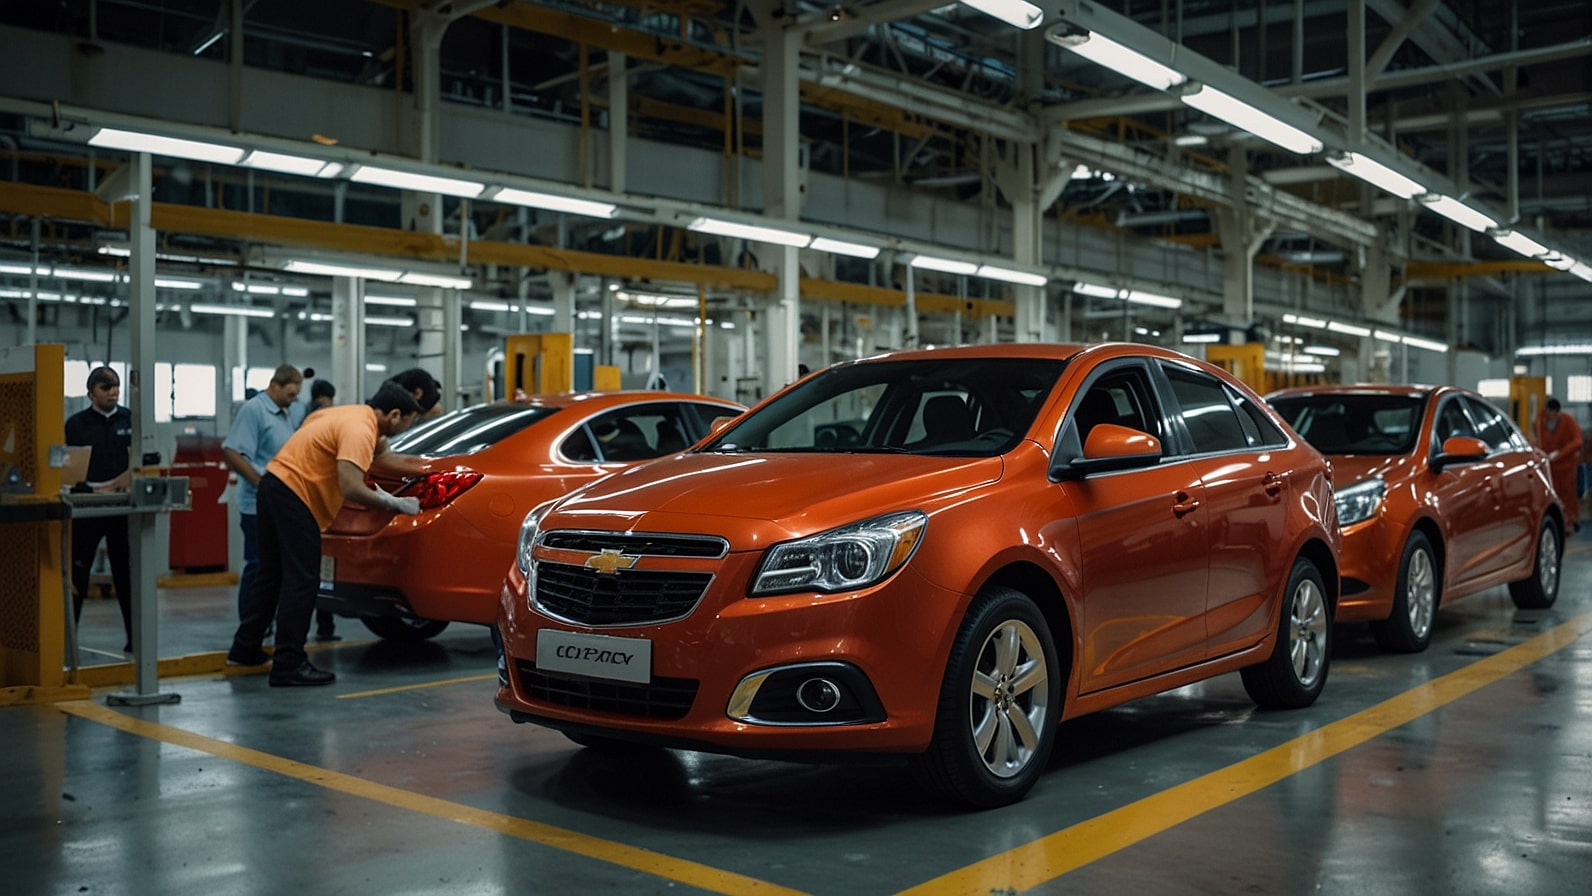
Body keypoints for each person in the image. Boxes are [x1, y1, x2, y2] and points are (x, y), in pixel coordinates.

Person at [226, 381, 425, 686]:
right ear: (395, 415)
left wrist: (423, 470)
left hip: (272, 485)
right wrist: (394, 503)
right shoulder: (360, 429)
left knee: (271, 573)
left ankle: (245, 648)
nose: (410, 427)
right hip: (296, 496)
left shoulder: (347, 414)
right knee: (303, 580)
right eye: (411, 421)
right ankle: (288, 664)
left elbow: (381, 456)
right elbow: (350, 486)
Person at [221, 365, 304, 625]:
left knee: (273, 569)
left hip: (277, 505)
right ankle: (250, 626)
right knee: (258, 566)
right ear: (274, 385)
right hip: (257, 506)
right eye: (290, 394)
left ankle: (264, 623)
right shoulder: (254, 410)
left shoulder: (284, 413)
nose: (293, 400)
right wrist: (262, 486)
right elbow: (233, 452)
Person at [65, 366, 134, 652]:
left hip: (120, 507)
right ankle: (69, 642)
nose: (113, 392)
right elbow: (68, 464)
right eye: (106, 388)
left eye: (116, 387)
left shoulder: (130, 419)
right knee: (77, 577)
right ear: (91, 393)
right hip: (88, 507)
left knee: (127, 577)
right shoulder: (76, 425)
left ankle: (135, 640)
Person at [1536, 396, 1584, 533]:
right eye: (1549, 414)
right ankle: (1560, 520)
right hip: (1551, 466)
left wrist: (1559, 454)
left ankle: (1573, 519)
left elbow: (1578, 441)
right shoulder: (1541, 421)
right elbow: (1540, 440)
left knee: (1569, 494)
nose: (1551, 417)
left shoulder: (1568, 421)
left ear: (1558, 412)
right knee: (1553, 494)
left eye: (1554, 414)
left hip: (1567, 466)